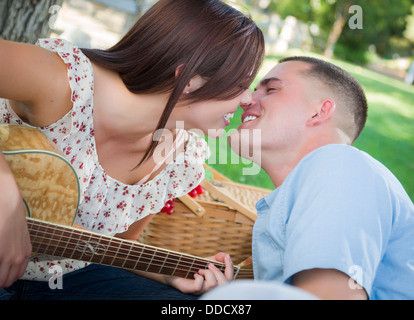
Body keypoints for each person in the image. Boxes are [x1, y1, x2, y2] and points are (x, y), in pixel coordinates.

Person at [0, 0, 264, 300]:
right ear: (189, 78)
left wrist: (168, 275)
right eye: (241, 83)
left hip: (57, 279)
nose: (247, 99)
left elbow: (108, 249)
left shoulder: (178, 157)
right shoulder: (66, 82)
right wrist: (6, 194)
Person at [210, 56, 414, 300]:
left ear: (319, 111)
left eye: (271, 89)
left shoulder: (340, 164)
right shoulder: (307, 189)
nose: (246, 100)